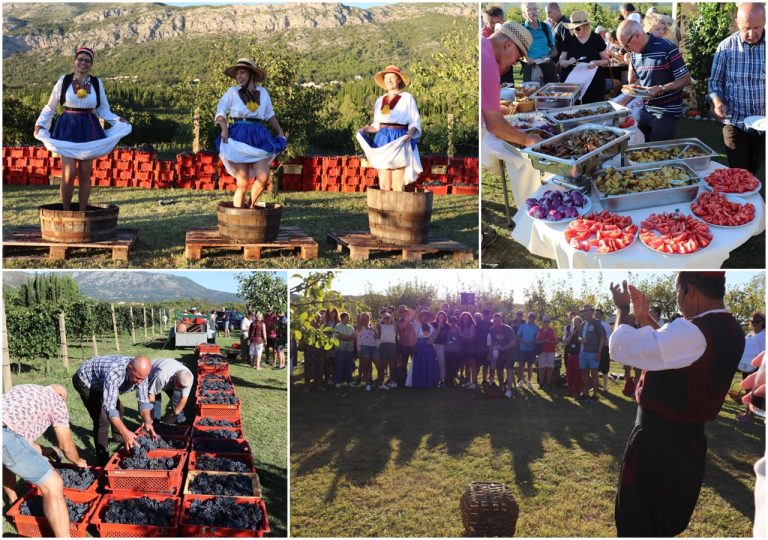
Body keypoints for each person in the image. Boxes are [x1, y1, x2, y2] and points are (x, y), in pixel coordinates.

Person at [608, 272, 745, 537]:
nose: (677, 300)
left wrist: (622, 309)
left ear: (689, 290)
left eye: (676, 293)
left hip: (657, 447)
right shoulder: (732, 329)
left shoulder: (693, 331)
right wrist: (644, 317)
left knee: (639, 523)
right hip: (688, 444)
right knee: (665, 521)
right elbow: (674, 350)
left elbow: (619, 346)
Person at [34, 46, 131, 211]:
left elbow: (102, 109)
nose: (83, 63)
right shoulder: (63, 81)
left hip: (88, 127)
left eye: (87, 61)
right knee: (69, 173)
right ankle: (65, 211)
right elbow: (50, 107)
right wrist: (41, 124)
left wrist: (117, 119)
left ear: (91, 64)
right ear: (74, 61)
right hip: (67, 127)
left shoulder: (96, 83)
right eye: (80, 59)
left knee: (85, 173)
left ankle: (82, 211)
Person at [2, 384, 88, 537]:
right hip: (5, 436)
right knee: (54, 484)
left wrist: (45, 450)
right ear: (61, 397)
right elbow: (66, 446)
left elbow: (20, 439)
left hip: (5, 432)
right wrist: (78, 460)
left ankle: (13, 503)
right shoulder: (57, 402)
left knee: (7, 460)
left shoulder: (25, 389)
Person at [215, 58, 287, 208]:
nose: (238, 76)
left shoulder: (263, 92)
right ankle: (237, 217)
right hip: (238, 136)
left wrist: (280, 132)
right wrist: (224, 128)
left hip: (258, 136)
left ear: (251, 74)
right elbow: (220, 112)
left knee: (263, 177)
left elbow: (269, 115)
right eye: (237, 74)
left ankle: (250, 206)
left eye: (242, 73)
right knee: (242, 182)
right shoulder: (232, 92)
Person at [708, 3, 766, 176]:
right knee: (738, 172)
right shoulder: (725, 47)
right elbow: (714, 82)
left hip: (764, 123)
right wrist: (718, 102)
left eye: (757, 27)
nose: (751, 33)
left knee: (753, 171)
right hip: (735, 120)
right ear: (737, 23)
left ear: (765, 22)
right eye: (746, 28)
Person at [72, 355, 157, 465]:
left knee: (120, 409)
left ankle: (118, 438)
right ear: (129, 368)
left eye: (143, 379)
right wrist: (126, 432)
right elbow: (110, 409)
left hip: (102, 382)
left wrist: (147, 421)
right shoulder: (114, 373)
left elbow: (143, 401)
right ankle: (102, 459)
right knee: (102, 420)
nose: (140, 382)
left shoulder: (142, 374)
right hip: (86, 381)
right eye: (137, 378)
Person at [617, 19, 691, 141]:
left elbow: (686, 79)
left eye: (626, 45)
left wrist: (662, 88)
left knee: (659, 152)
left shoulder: (667, 48)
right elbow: (640, 80)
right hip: (646, 110)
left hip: (667, 111)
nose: (627, 50)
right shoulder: (635, 54)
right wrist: (623, 101)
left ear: (638, 35)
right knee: (641, 147)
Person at [357, 66, 422, 191]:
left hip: (399, 138)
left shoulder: (407, 98)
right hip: (382, 139)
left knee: (398, 184)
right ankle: (384, 210)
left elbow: (415, 121)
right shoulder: (380, 100)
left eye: (392, 77)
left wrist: (411, 132)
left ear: (399, 80)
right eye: (386, 78)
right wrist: (365, 129)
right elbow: (376, 125)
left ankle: (398, 210)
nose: (389, 80)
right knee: (384, 183)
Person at [481, 21, 541, 148]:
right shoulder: (488, 64)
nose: (515, 63)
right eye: (518, 57)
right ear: (509, 45)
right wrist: (528, 140)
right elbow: (494, 124)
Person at [558, 11, 611, 104]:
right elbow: (561, 62)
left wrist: (596, 62)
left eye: (577, 28)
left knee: (594, 111)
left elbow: (606, 60)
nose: (575, 31)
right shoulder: (568, 40)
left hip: (594, 84)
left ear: (586, 26)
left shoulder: (596, 39)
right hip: (573, 85)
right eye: (573, 29)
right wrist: (568, 62)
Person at [737, 311, 766, 422]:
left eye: (757, 321)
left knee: (754, 392)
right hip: (746, 367)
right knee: (748, 391)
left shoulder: (764, 335)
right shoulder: (749, 335)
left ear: (763, 322)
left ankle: (750, 416)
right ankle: (748, 412)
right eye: (752, 321)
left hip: (757, 369)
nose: (754, 323)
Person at [521, 3, 558, 84]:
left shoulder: (545, 27)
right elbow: (518, 52)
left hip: (548, 67)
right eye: (529, 9)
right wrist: (526, 59)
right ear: (524, 13)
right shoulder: (521, 29)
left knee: (553, 93)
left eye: (535, 9)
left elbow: (554, 51)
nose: (533, 12)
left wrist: (548, 57)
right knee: (530, 95)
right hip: (530, 68)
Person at [147, 358, 194, 424]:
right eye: (177, 386)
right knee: (157, 401)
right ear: (174, 376)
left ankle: (180, 421)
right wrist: (150, 416)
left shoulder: (189, 378)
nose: (177, 388)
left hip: (170, 377)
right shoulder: (162, 377)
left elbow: (183, 398)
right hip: (152, 373)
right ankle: (155, 423)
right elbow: (151, 396)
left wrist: (174, 415)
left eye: (181, 388)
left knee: (177, 397)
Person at [578, 305, 605, 401]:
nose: (584, 312)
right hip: (583, 352)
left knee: (594, 373)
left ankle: (595, 395)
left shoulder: (597, 323)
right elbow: (579, 337)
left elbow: (602, 338)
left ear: (591, 311)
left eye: (586, 311)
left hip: (593, 353)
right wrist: (581, 340)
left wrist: (599, 351)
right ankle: (585, 393)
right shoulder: (583, 323)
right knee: (584, 373)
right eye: (583, 311)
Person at [485, 314, 516, 397]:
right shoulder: (492, 330)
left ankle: (509, 390)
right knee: (499, 370)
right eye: (495, 321)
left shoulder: (508, 329)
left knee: (509, 370)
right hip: (500, 352)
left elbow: (513, 342)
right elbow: (492, 342)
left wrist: (504, 348)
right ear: (493, 321)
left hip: (510, 351)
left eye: (498, 320)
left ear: (501, 320)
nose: (497, 322)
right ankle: (502, 386)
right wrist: (489, 353)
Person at [407, 311, 439, 388]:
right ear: (421, 318)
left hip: (429, 346)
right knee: (419, 362)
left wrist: (431, 340)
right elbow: (411, 321)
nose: (425, 318)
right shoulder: (417, 325)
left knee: (429, 362)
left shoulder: (431, 327)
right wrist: (416, 311)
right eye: (423, 316)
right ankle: (419, 382)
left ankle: (429, 382)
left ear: (428, 318)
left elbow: (434, 336)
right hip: (419, 345)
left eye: (426, 316)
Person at [516, 312, 539, 389]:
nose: (531, 318)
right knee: (521, 366)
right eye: (530, 317)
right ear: (528, 317)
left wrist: (534, 342)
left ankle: (529, 381)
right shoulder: (523, 326)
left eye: (533, 317)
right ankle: (521, 381)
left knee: (530, 366)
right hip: (522, 349)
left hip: (531, 350)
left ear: (534, 318)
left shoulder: (536, 328)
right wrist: (524, 342)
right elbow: (517, 336)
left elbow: (537, 339)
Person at [396, 306, 417, 387]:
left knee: (414, 363)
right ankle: (404, 381)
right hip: (403, 345)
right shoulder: (398, 321)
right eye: (401, 312)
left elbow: (416, 314)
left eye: (405, 311)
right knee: (403, 364)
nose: (403, 313)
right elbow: (402, 327)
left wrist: (410, 314)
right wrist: (407, 319)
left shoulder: (412, 318)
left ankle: (414, 380)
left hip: (413, 344)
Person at [334, 312, 356, 387]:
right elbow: (339, 336)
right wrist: (348, 338)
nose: (348, 319)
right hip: (340, 349)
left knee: (349, 365)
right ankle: (337, 382)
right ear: (342, 318)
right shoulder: (337, 326)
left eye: (348, 317)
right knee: (339, 365)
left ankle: (349, 381)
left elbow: (354, 337)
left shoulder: (351, 327)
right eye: (347, 318)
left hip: (349, 349)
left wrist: (345, 338)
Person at [356, 312, 378, 391]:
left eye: (367, 317)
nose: (365, 318)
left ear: (369, 318)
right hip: (364, 348)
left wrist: (376, 330)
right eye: (363, 317)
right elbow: (358, 319)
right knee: (365, 366)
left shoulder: (372, 327)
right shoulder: (360, 327)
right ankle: (366, 383)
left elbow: (377, 337)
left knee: (373, 365)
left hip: (373, 348)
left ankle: (371, 379)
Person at [376, 311, 397, 389]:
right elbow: (378, 333)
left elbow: (396, 328)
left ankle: (392, 381)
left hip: (392, 345)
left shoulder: (393, 326)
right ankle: (381, 383)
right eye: (385, 318)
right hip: (383, 345)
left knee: (392, 365)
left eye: (388, 317)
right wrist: (382, 317)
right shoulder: (381, 326)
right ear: (383, 319)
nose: (387, 319)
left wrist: (391, 317)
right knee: (383, 365)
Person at [595, 308, 613, 393]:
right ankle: (596, 386)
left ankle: (605, 388)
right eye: (595, 314)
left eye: (598, 314)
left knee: (605, 369)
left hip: (604, 349)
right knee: (594, 369)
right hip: (593, 349)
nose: (596, 315)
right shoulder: (592, 324)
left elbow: (609, 337)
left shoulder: (606, 325)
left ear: (601, 315)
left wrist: (608, 348)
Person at [564, 315, 583, 397]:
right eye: (574, 323)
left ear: (580, 323)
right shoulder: (572, 331)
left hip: (579, 355)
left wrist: (579, 336)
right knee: (569, 373)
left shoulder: (583, 332)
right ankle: (570, 390)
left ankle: (577, 391)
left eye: (577, 322)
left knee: (578, 374)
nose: (575, 324)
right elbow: (567, 342)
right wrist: (571, 335)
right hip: (571, 354)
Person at [536, 316, 558, 387]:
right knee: (542, 368)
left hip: (551, 351)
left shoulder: (553, 331)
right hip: (542, 351)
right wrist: (544, 341)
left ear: (549, 322)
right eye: (545, 321)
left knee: (550, 368)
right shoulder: (539, 330)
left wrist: (550, 342)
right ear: (542, 322)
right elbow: (536, 341)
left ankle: (548, 383)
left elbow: (557, 341)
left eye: (547, 321)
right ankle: (541, 383)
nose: (546, 323)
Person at [432, 311, 450, 388]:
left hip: (442, 346)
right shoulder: (433, 324)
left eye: (443, 316)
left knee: (441, 363)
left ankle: (442, 380)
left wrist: (446, 345)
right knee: (432, 362)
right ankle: (433, 379)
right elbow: (432, 335)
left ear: (445, 317)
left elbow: (448, 337)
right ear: (437, 316)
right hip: (433, 345)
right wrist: (439, 326)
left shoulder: (447, 326)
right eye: (440, 316)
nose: (441, 317)